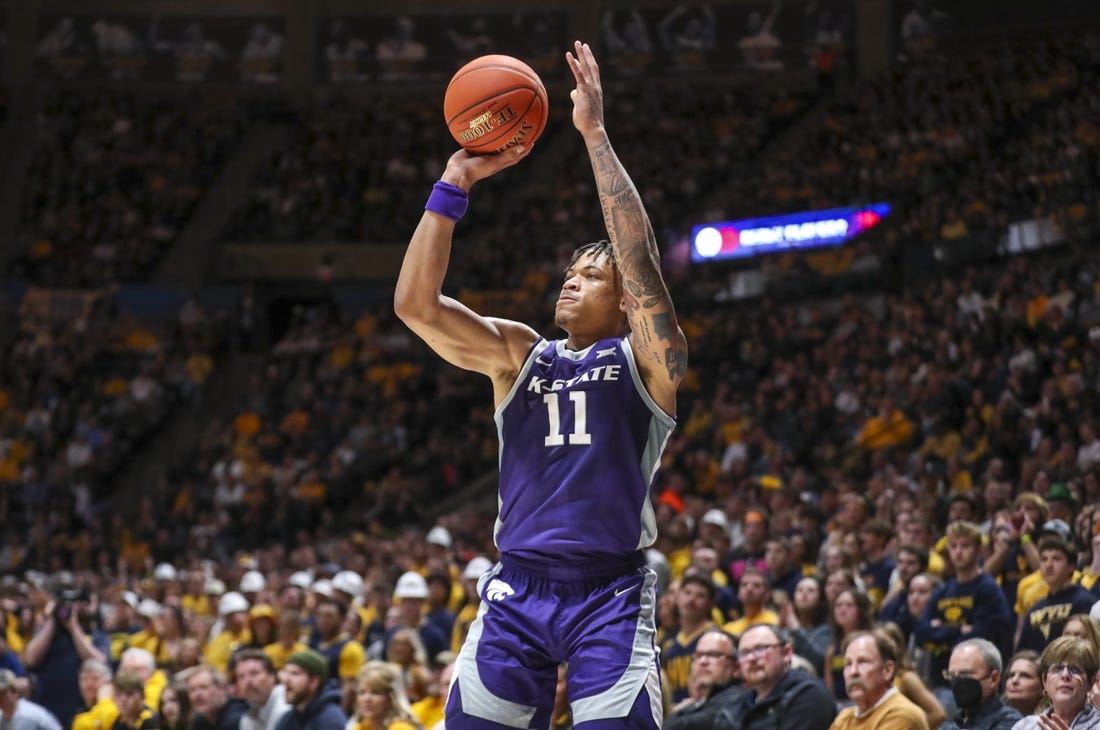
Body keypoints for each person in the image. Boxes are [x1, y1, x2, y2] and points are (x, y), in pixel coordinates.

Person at [394, 40, 686, 730]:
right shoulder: (520, 354)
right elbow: (416, 308)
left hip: (610, 588)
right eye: (570, 272)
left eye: (592, 276)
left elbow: (639, 258)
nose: (571, 279)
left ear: (624, 305)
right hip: (517, 585)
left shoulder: (648, 364)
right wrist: (454, 184)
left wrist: (594, 135)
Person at [715, 624, 834, 730]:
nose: (751, 658)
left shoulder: (809, 695)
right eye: (744, 653)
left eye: (760, 649)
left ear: (786, 653)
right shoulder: (735, 707)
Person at [829, 631, 929, 729]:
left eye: (863, 662)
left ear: (887, 670)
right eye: (848, 664)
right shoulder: (844, 718)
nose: (853, 672)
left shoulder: (903, 715)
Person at [1009, 636, 1100, 729]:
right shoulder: (1025, 726)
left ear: (1091, 682)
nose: (1065, 675)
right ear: (1044, 681)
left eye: (1075, 670)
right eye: (1057, 669)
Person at [664, 629, 745, 730]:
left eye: (714, 655)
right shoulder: (694, 707)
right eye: (699, 655)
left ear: (736, 667)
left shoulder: (741, 700)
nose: (703, 661)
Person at [940, 638, 1021, 730]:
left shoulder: (1011, 723)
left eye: (965, 674)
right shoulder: (954, 723)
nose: (957, 681)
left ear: (994, 679)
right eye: (951, 675)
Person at [272, 650, 346, 730]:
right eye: (285, 672)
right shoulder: (288, 719)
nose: (286, 680)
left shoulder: (331, 720)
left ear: (313, 682)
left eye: (295, 673)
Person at [347, 661, 418, 730]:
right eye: (362, 692)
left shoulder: (401, 728)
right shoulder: (363, 727)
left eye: (375, 692)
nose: (367, 699)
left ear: (390, 698)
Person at [235, 649, 289, 730]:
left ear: (272, 676)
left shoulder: (286, 707)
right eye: (241, 676)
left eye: (254, 673)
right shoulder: (247, 719)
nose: (247, 681)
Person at [181, 665, 246, 730]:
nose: (197, 694)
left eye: (203, 687)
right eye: (192, 690)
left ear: (221, 689)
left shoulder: (237, 719)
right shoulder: (198, 721)